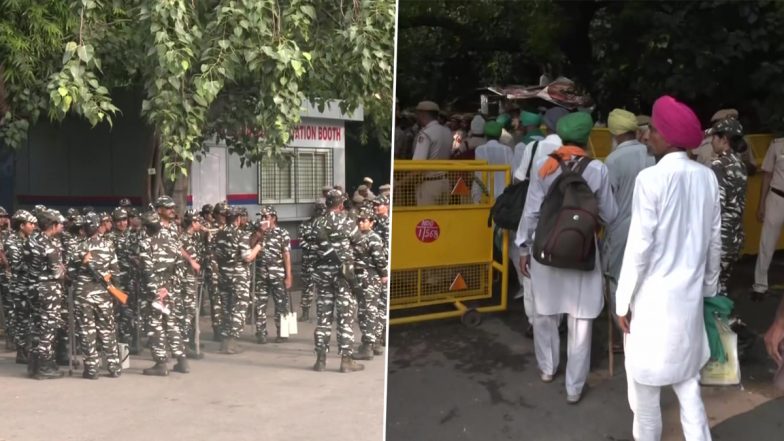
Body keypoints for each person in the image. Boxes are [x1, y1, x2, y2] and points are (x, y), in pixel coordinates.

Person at [615, 95, 718, 441]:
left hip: (653, 305)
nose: (648, 136)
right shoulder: (707, 178)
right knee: (689, 388)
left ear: (668, 138)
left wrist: (622, 301)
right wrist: (709, 290)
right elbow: (713, 243)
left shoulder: (651, 179)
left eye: (653, 131)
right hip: (687, 304)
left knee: (645, 399)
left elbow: (639, 248)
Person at [518, 112, 618, 404]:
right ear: (587, 137)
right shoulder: (597, 169)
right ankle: (574, 388)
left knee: (545, 314)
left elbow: (531, 212)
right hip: (583, 252)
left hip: (546, 252)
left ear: (559, 136)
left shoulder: (543, 164)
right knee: (581, 321)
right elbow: (609, 214)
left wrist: (523, 248)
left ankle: (548, 368)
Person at [511, 106, 570, 336]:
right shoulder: (574, 152)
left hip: (538, 223)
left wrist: (523, 242)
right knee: (561, 274)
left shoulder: (533, 147)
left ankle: (535, 321)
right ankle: (559, 318)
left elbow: (520, 179)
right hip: (564, 221)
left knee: (531, 278)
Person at [602, 108, 655, 331]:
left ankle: (624, 328)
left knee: (616, 279)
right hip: (650, 227)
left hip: (621, 230)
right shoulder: (651, 154)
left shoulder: (612, 161)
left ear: (614, 133)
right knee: (643, 278)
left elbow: (606, 201)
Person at [311, 190, 364, 373]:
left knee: (323, 318)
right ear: (341, 205)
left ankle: (320, 360)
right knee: (345, 317)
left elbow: (311, 247)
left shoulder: (317, 223)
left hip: (323, 276)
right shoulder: (348, 222)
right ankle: (346, 361)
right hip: (344, 276)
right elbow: (360, 245)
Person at [137, 211, 188, 376]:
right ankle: (182, 360)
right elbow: (181, 266)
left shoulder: (146, 244)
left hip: (155, 293)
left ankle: (160, 363)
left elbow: (147, 271)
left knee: (155, 325)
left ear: (146, 227)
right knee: (171, 323)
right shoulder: (172, 242)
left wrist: (156, 292)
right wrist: (170, 287)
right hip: (169, 290)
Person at [74, 212, 122, 379]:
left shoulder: (79, 247)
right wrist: (114, 290)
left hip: (84, 296)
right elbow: (116, 273)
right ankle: (114, 366)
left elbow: (71, 273)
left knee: (87, 332)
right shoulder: (109, 246)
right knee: (108, 330)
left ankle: (92, 369)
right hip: (104, 295)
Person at [707, 118, 748, 297]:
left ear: (724, 139)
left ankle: (716, 323)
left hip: (719, 239)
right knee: (722, 287)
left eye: (714, 137)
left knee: (711, 290)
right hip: (735, 237)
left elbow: (717, 205)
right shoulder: (740, 164)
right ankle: (723, 321)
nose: (711, 141)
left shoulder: (719, 166)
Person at [213, 207, 263, 353]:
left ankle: (225, 340)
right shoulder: (241, 235)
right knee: (240, 305)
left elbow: (216, 253)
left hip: (224, 274)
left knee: (227, 307)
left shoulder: (219, 233)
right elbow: (247, 257)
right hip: (238, 275)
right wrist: (258, 247)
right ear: (237, 219)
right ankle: (232, 341)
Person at [26, 209, 66, 379]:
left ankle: (34, 365)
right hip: (48, 289)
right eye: (59, 224)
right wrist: (63, 269)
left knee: (37, 326)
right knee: (47, 328)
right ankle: (43, 366)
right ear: (52, 226)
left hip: (33, 287)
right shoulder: (48, 245)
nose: (61, 226)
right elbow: (58, 272)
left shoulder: (31, 240)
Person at [350, 206, 388, 360]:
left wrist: (384, 274)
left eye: (364, 221)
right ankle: (375, 343)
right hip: (361, 277)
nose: (360, 224)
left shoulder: (373, 238)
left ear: (371, 223)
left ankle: (368, 346)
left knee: (367, 312)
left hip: (369, 277)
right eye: (359, 221)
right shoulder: (357, 237)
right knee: (369, 310)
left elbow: (380, 260)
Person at [252, 206, 292, 344]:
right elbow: (249, 247)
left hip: (277, 274)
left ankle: (283, 333)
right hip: (261, 274)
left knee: (282, 304)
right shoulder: (257, 232)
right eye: (261, 217)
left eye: (266, 217)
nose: (263, 220)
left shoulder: (282, 233)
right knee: (259, 305)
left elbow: (286, 255)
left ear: (273, 218)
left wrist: (289, 276)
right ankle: (261, 333)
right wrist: (258, 234)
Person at [751, 134, 784, 301]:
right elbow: (767, 175)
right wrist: (761, 203)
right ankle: (760, 286)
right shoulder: (777, 145)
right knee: (767, 242)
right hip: (777, 197)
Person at [411, 101, 452, 205]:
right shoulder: (447, 132)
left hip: (429, 183)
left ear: (423, 114)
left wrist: (400, 183)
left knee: (426, 219)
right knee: (442, 219)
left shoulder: (425, 134)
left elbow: (417, 165)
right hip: (445, 183)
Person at [472, 121, 514, 203]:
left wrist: (476, 197)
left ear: (485, 134)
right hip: (504, 196)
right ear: (499, 135)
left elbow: (478, 174)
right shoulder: (507, 150)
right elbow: (513, 172)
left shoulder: (480, 150)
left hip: (486, 196)